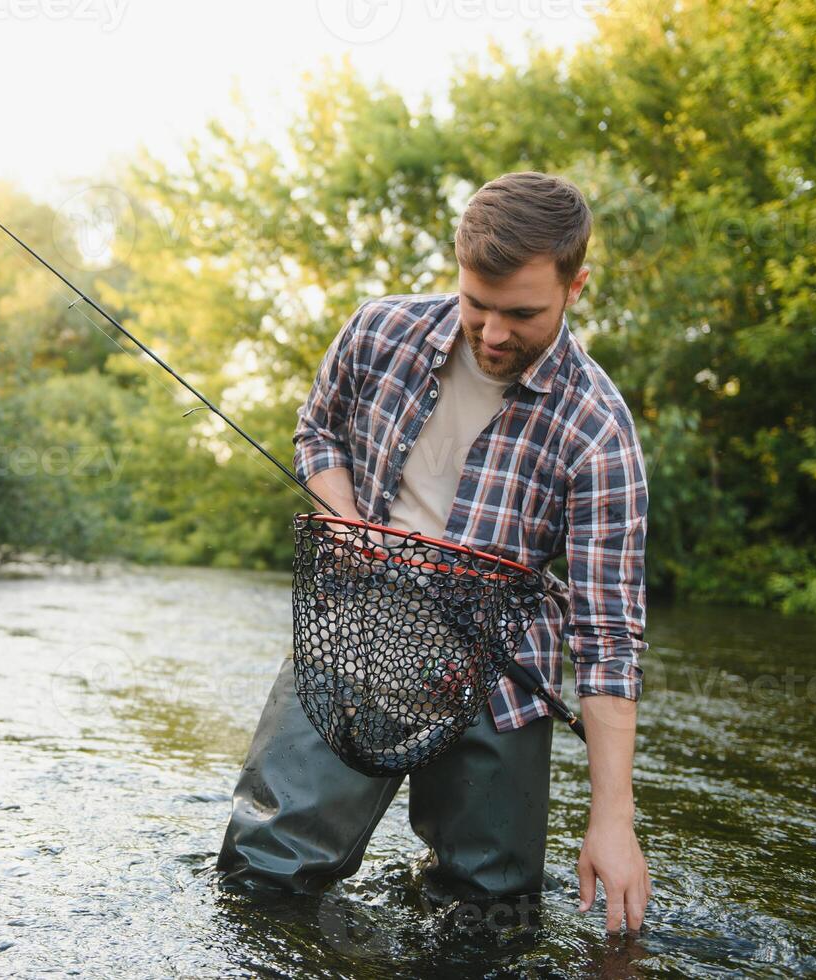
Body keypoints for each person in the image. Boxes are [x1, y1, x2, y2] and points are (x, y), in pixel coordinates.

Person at [215, 171, 652, 934]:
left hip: (499, 673)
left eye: (521, 314)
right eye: (474, 304)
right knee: (263, 879)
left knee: (489, 921)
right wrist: (343, 514)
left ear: (575, 287)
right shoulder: (378, 330)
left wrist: (612, 820)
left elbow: (608, 639)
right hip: (354, 635)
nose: (489, 334)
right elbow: (317, 432)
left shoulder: (599, 432)